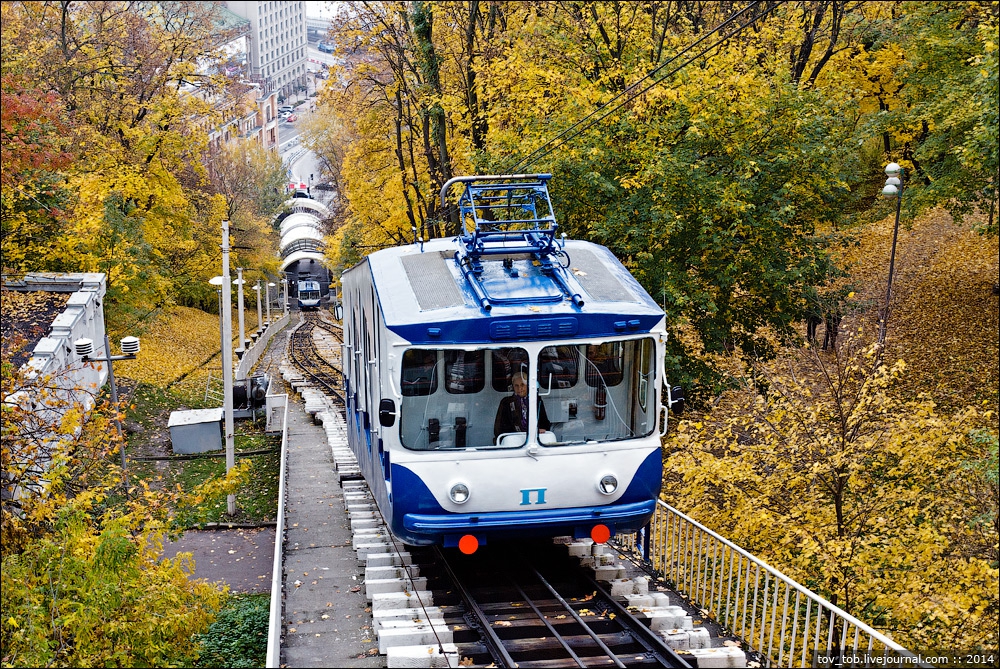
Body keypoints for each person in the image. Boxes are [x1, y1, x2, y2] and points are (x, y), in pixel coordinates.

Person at [494, 371, 551, 439]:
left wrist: (541, 429)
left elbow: (544, 422)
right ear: (513, 386)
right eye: (516, 385)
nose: (519, 388)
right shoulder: (506, 402)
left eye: (522, 385)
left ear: (527, 385)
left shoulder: (536, 400)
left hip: (534, 438)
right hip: (513, 440)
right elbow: (500, 428)